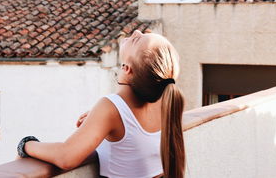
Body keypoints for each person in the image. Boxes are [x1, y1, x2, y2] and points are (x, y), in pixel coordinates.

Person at [17, 30, 186, 178]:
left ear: (127, 69)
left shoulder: (111, 108)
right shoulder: (165, 101)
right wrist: (101, 120)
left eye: (137, 40)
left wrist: (26, 144)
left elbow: (67, 157)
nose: (136, 32)